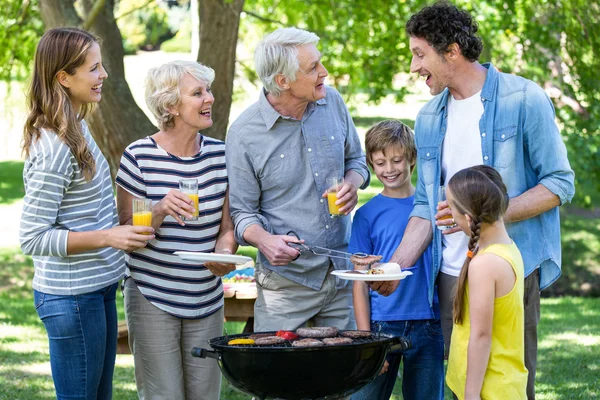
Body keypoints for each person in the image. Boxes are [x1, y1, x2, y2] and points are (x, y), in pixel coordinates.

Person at [369, 3, 575, 398]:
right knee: (463, 382)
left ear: (451, 51)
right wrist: (397, 266)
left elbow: (559, 184)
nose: (414, 67)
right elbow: (425, 206)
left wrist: (484, 214)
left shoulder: (523, 99)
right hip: (451, 273)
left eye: (419, 54)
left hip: (507, 272)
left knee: (509, 383)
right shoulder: (429, 117)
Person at [20, 27, 151, 399]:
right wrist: (109, 237)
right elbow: (32, 237)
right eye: (93, 68)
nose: (104, 75)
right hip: (71, 298)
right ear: (64, 77)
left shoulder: (76, 125)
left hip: (96, 288)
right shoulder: (54, 148)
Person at [226, 27, 370, 331]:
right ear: (283, 81)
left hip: (342, 275)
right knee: (282, 377)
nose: (324, 72)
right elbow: (242, 213)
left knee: (344, 375)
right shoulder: (243, 134)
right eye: (313, 68)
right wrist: (265, 241)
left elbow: (357, 161)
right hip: (286, 286)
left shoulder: (333, 103)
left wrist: (352, 185)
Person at [115, 60, 237, 400]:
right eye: (197, 93)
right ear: (171, 105)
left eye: (208, 90)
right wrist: (160, 209)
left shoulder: (220, 156)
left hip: (206, 298)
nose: (209, 98)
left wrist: (225, 255)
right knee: (162, 395)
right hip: (152, 295)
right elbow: (128, 236)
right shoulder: (138, 157)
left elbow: (227, 228)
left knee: (205, 395)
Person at [349, 120, 444, 400]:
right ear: (370, 164)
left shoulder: (434, 210)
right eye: (380, 163)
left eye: (396, 160)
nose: (389, 169)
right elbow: (358, 282)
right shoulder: (366, 215)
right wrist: (366, 340)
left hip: (429, 324)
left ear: (412, 158)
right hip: (381, 326)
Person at [444, 165, 528, 399]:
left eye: (451, 208)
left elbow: (481, 335)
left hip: (489, 389)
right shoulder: (507, 248)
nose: (450, 215)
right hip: (500, 382)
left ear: (469, 218)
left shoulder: (485, 264)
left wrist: (471, 395)